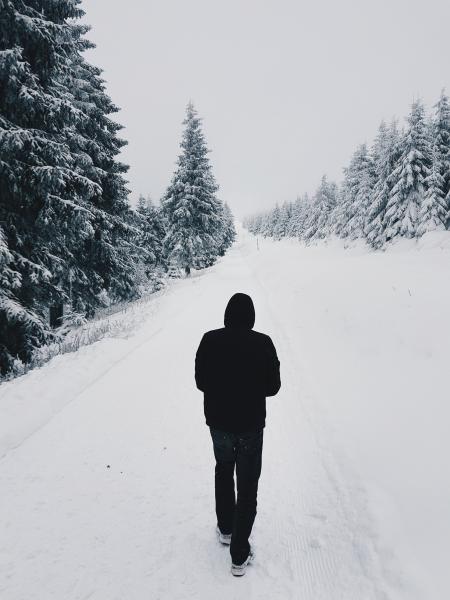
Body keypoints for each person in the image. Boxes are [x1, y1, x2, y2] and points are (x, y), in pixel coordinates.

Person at [195, 292, 281, 576]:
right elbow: (273, 387)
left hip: (219, 423)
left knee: (223, 470)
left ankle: (226, 528)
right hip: (251, 426)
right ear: (251, 317)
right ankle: (239, 556)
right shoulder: (263, 343)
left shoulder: (209, 340)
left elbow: (201, 382)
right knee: (247, 486)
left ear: (227, 315)